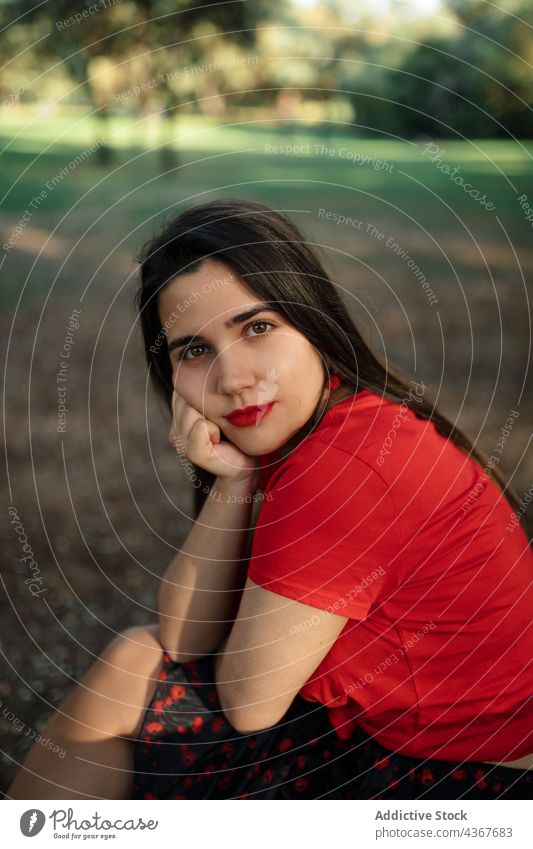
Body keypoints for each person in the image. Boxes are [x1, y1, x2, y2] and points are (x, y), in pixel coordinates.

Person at [8, 198, 532, 801]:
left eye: (257, 328)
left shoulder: (350, 465)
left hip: (470, 786)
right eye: (194, 350)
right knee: (137, 659)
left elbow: (250, 702)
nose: (232, 379)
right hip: (396, 740)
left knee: (140, 678)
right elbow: (183, 640)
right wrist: (234, 481)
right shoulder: (331, 428)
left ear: (312, 322)